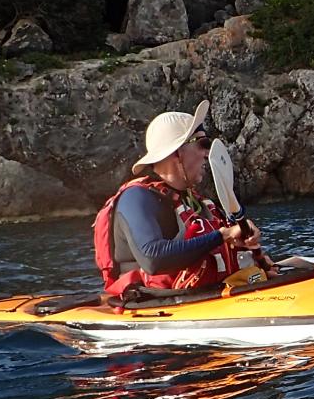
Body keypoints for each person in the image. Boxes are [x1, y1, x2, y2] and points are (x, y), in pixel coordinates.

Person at [92, 100, 261, 301]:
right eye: (202, 143)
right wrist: (222, 236)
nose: (207, 154)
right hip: (152, 304)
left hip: (201, 296)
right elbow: (153, 259)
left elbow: (218, 242)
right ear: (177, 152)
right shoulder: (136, 198)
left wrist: (240, 239)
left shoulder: (193, 200)